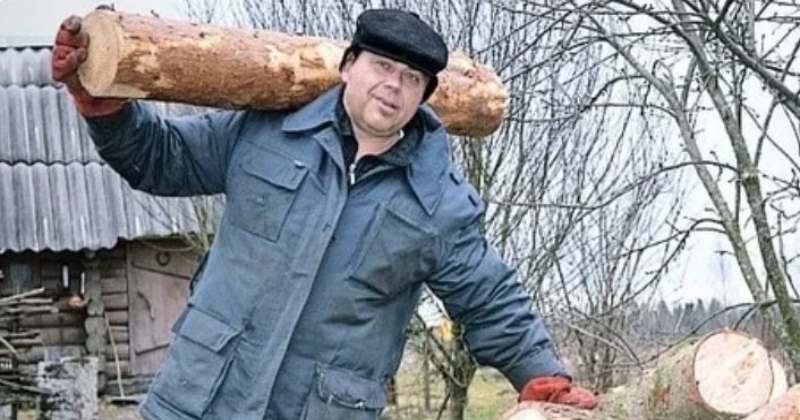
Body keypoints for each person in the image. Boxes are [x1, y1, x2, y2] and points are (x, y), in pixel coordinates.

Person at [52, 8, 597, 420]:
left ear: (425, 97)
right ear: (348, 66)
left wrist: (542, 375)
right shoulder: (265, 130)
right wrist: (104, 107)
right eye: (382, 65)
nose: (394, 85)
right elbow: (160, 160)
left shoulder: (439, 202)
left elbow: (489, 297)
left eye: (412, 78)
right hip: (197, 399)